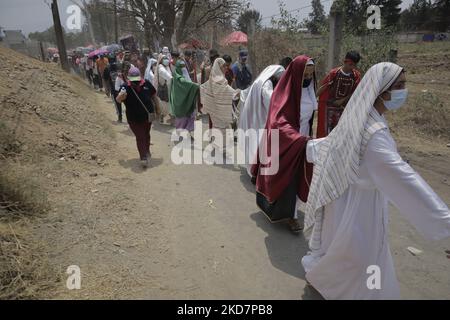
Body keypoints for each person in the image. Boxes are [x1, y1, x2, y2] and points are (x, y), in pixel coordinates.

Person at [301, 62, 450, 299]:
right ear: (382, 90)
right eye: (399, 85)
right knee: (360, 256)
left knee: (342, 251)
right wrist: (444, 219)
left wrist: (307, 148)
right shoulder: (374, 132)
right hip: (360, 206)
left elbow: (332, 145)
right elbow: (404, 179)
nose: (404, 90)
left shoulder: (362, 116)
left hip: (343, 195)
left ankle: (326, 281)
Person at [251, 56, 316, 234]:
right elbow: (278, 121)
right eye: (305, 75)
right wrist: (296, 138)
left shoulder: (309, 89)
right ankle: (290, 216)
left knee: (296, 179)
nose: (308, 78)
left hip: (302, 140)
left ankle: (291, 213)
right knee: (286, 179)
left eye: (311, 75)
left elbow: (309, 116)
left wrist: (306, 137)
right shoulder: (283, 93)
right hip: (286, 142)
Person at [238, 65, 285, 178]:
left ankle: (254, 171)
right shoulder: (266, 84)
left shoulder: (259, 81)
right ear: (275, 76)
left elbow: (245, 93)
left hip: (252, 117)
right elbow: (271, 102)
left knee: (253, 144)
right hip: (259, 118)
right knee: (258, 145)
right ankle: (256, 173)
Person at [116, 67, 157, 168]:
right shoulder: (125, 87)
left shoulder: (146, 83)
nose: (136, 82)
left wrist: (158, 109)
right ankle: (143, 157)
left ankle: (147, 150)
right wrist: (121, 96)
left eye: (137, 80)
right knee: (140, 136)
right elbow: (118, 100)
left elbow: (154, 96)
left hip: (148, 116)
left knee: (146, 134)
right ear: (129, 78)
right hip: (133, 118)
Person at [316, 51, 361, 138]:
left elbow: (355, 92)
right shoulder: (334, 73)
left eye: (354, 65)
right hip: (327, 107)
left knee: (339, 133)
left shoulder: (356, 76)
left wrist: (342, 100)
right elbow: (324, 87)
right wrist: (314, 99)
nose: (352, 67)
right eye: (350, 64)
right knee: (325, 132)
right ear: (345, 61)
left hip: (342, 108)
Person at [200, 58, 240, 131]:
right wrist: (240, 93)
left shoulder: (213, 79)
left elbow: (203, 88)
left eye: (226, 66)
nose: (226, 68)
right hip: (219, 113)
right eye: (223, 66)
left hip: (217, 113)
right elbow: (231, 93)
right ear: (218, 67)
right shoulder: (219, 81)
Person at [170, 60, 200, 133]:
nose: (183, 68)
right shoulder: (179, 78)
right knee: (182, 119)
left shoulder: (178, 75)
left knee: (186, 118)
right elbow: (187, 85)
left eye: (184, 66)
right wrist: (196, 86)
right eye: (181, 66)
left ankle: (185, 133)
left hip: (183, 100)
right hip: (180, 102)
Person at [155, 54, 173, 124]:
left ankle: (168, 117)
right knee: (165, 104)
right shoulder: (160, 67)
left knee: (168, 105)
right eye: (164, 59)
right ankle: (164, 116)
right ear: (161, 60)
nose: (166, 60)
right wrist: (172, 79)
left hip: (169, 88)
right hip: (164, 89)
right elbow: (166, 75)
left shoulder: (167, 67)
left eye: (167, 58)